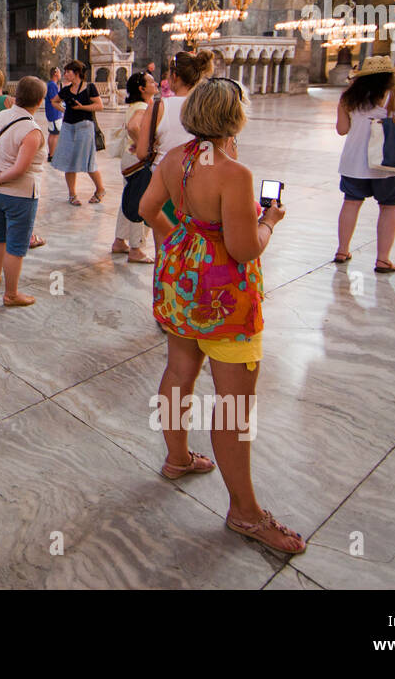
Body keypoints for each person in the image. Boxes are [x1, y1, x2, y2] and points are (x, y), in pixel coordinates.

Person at [139, 77, 303, 555]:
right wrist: (269, 220)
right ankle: (245, 513)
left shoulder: (176, 158)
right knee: (233, 405)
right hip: (225, 299)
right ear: (236, 118)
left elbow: (149, 208)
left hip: (179, 284)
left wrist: (180, 243)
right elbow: (244, 247)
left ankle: (176, 458)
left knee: (178, 370)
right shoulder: (234, 173)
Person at [333, 56, 395, 273]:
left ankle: (342, 250)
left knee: (351, 202)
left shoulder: (348, 97)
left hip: (354, 162)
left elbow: (342, 129)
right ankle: (382, 259)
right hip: (386, 163)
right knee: (389, 207)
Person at [136, 50, 215, 252]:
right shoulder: (209, 107)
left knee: (165, 251)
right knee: (197, 250)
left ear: (174, 76)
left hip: (165, 185)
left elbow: (142, 153)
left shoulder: (158, 107)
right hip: (201, 184)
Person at [0, 76, 46, 307]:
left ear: (16, 95)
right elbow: (19, 170)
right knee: (16, 246)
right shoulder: (32, 130)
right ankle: (11, 294)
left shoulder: (0, 116)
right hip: (20, 196)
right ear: (39, 101)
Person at [111, 70, 157, 262]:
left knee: (129, 199)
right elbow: (132, 127)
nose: (155, 84)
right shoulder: (142, 107)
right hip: (137, 160)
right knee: (140, 202)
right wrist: (144, 148)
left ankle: (120, 241)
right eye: (151, 82)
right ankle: (136, 248)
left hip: (129, 160)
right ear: (142, 88)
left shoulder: (137, 105)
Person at [50, 59, 106, 205]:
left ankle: (100, 189)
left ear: (76, 73)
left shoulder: (89, 87)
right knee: (69, 162)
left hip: (85, 126)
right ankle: (72, 194)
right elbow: (54, 101)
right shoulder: (66, 90)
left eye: (68, 72)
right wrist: (64, 109)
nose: (65, 74)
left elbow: (99, 106)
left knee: (88, 160)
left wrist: (82, 107)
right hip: (68, 127)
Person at [44, 66, 63, 160]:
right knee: (55, 134)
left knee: (53, 133)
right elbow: (54, 100)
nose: (61, 74)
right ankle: (52, 155)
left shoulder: (53, 85)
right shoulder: (52, 85)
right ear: (55, 73)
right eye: (59, 72)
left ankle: (51, 153)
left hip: (53, 113)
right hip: (54, 113)